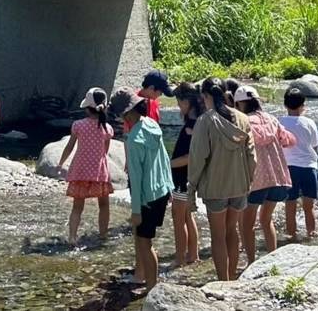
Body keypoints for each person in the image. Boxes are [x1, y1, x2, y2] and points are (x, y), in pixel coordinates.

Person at [187, 77, 256, 281]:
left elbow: (198, 158)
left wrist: (192, 185)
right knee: (232, 231)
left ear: (205, 96)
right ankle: (233, 278)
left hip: (215, 188)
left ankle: (222, 282)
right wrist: (248, 180)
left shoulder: (205, 121)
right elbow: (253, 156)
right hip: (239, 186)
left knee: (218, 236)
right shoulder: (243, 119)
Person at [109, 88, 173, 292]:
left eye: (120, 116)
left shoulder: (134, 139)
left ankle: (152, 289)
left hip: (147, 197)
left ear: (127, 114)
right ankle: (142, 276)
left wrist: (136, 211)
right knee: (143, 238)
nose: (120, 120)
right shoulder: (152, 125)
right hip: (161, 190)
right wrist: (169, 187)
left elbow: (135, 180)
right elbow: (164, 160)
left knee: (146, 243)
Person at [233, 85, 296, 264]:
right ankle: (272, 261)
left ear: (239, 104)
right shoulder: (272, 119)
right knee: (266, 220)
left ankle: (252, 263)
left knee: (247, 225)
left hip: (256, 180)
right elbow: (289, 140)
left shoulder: (244, 121)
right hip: (278, 177)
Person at [59, 87, 114, 244]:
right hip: (99, 171)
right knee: (103, 205)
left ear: (87, 108)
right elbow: (105, 151)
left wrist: (61, 162)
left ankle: (72, 237)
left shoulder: (78, 125)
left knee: (77, 207)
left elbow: (70, 146)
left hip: (80, 171)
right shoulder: (107, 128)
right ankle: (103, 235)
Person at [277, 91, 318, 241]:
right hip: (309, 167)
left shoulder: (279, 122)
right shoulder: (309, 122)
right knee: (309, 206)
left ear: (285, 104)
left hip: (289, 168)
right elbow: (315, 146)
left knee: (290, 205)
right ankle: (312, 234)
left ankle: (291, 236)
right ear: (303, 105)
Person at [169, 81, 204, 267]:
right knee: (187, 215)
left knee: (178, 217)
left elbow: (191, 156)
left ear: (186, 101)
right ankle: (193, 255)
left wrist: (167, 165)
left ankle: (180, 258)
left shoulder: (192, 125)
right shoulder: (198, 121)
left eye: (178, 102)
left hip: (182, 177)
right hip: (189, 177)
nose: (177, 106)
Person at [125, 69, 171, 133]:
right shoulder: (132, 104)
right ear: (151, 88)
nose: (161, 95)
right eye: (161, 92)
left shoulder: (154, 102)